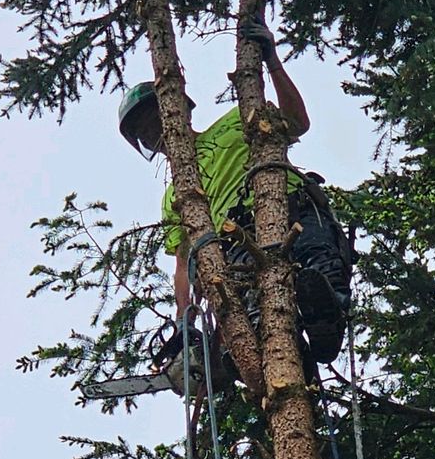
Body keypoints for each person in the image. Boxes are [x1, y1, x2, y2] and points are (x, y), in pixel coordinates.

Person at [117, 19, 352, 367]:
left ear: (176, 108)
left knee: (317, 264)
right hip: (237, 246)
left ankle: (326, 317)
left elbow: (297, 121)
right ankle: (287, 362)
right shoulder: (174, 197)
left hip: (291, 211)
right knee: (257, 315)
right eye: (145, 131)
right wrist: (184, 319)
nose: (156, 131)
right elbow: (184, 262)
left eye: (156, 119)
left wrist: (272, 61)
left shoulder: (233, 121)